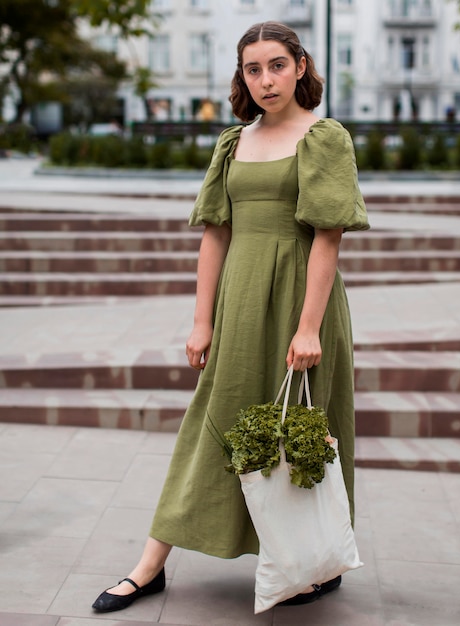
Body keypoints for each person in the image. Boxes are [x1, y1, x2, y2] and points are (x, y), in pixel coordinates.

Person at [92, 20, 369, 613]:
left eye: (276, 65)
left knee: (303, 434)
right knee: (209, 425)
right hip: (239, 300)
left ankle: (316, 559)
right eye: (253, 68)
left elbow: (328, 238)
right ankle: (150, 566)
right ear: (242, 76)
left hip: (301, 299)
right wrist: (201, 321)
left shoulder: (326, 138)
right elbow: (215, 236)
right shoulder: (232, 142)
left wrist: (308, 328)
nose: (266, 80)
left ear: (300, 66)